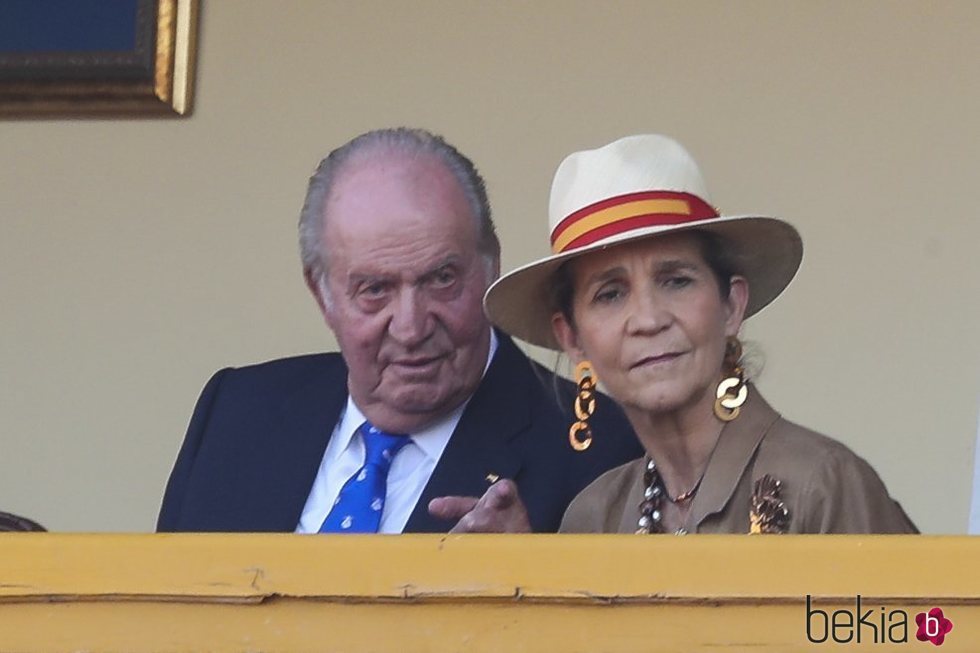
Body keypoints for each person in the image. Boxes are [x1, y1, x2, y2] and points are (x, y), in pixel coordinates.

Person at [157, 128, 642, 534]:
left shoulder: (602, 450)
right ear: (321, 292)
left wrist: (531, 584)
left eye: (442, 280)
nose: (411, 328)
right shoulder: (237, 410)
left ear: (491, 267)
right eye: (374, 290)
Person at [484, 134, 917, 534]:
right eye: (610, 294)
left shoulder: (823, 484)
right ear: (572, 337)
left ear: (732, 305)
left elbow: (910, 623)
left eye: (676, 281)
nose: (648, 319)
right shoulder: (595, 516)